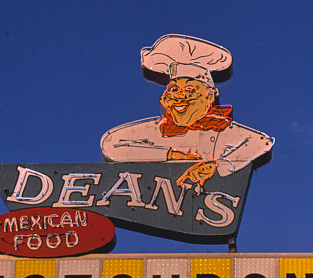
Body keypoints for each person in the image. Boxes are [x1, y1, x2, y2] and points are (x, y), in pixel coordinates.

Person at [100, 34, 274, 185]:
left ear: (210, 95)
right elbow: (111, 144)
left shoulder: (225, 130)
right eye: (174, 89)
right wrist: (170, 155)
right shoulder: (156, 130)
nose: (179, 97)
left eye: (190, 90)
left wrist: (219, 166)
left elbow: (261, 142)